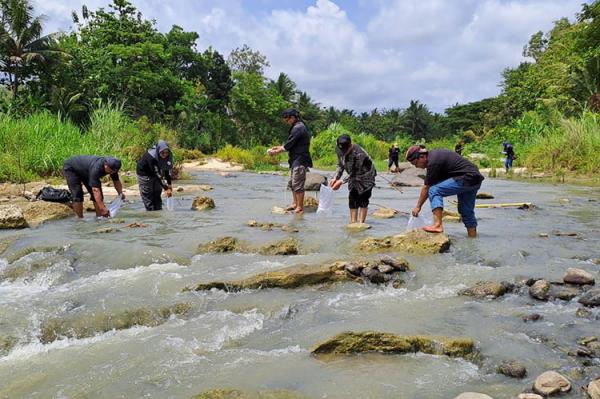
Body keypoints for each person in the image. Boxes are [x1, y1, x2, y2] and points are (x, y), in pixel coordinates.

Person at [406, 145, 484, 238]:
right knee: (466, 211)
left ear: (422, 156)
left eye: (416, 163)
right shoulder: (435, 157)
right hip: (475, 179)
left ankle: (437, 225)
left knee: (434, 190)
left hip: (466, 177)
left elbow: (427, 187)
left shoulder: (433, 162)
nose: (417, 166)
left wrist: (418, 207)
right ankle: (472, 238)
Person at [268, 108, 313, 214]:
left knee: (297, 184)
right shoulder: (297, 127)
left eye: (287, 119)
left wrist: (275, 152)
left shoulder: (298, 128)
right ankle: (295, 204)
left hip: (299, 159)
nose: (286, 121)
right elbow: (291, 144)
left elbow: (288, 145)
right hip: (295, 159)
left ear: (293, 117)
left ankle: (300, 207)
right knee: (293, 183)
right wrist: (278, 147)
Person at [329, 134, 377, 224]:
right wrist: (335, 177)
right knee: (352, 198)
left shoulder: (359, 154)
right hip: (353, 178)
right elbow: (340, 165)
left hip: (366, 176)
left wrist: (341, 182)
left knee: (363, 199)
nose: (343, 153)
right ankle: (353, 222)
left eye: (345, 151)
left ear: (350, 145)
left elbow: (353, 173)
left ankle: (361, 223)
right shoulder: (340, 149)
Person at [137, 140, 173, 211]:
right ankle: (150, 216)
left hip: (156, 173)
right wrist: (166, 188)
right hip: (144, 174)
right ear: (158, 150)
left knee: (157, 194)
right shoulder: (151, 157)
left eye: (166, 152)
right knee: (148, 197)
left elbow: (167, 170)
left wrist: (169, 185)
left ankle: (158, 214)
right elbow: (156, 173)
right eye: (162, 152)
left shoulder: (169, 156)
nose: (164, 155)